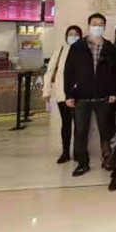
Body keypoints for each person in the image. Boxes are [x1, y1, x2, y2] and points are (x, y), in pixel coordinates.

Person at [64, 13, 116, 177]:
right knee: (80, 131)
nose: (98, 27)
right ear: (89, 26)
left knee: (106, 131)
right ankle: (82, 163)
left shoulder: (110, 47)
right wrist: (69, 94)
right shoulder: (78, 47)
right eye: (95, 24)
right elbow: (69, 72)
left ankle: (107, 159)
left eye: (101, 24)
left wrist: (113, 92)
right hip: (81, 97)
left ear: (105, 27)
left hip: (103, 97)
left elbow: (115, 73)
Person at [43, 25, 82, 164]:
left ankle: (78, 152)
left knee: (80, 124)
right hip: (62, 93)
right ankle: (65, 152)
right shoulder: (60, 50)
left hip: (79, 94)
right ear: (66, 36)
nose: (73, 36)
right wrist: (46, 90)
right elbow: (50, 71)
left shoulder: (83, 51)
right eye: (70, 34)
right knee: (66, 124)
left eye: (76, 34)